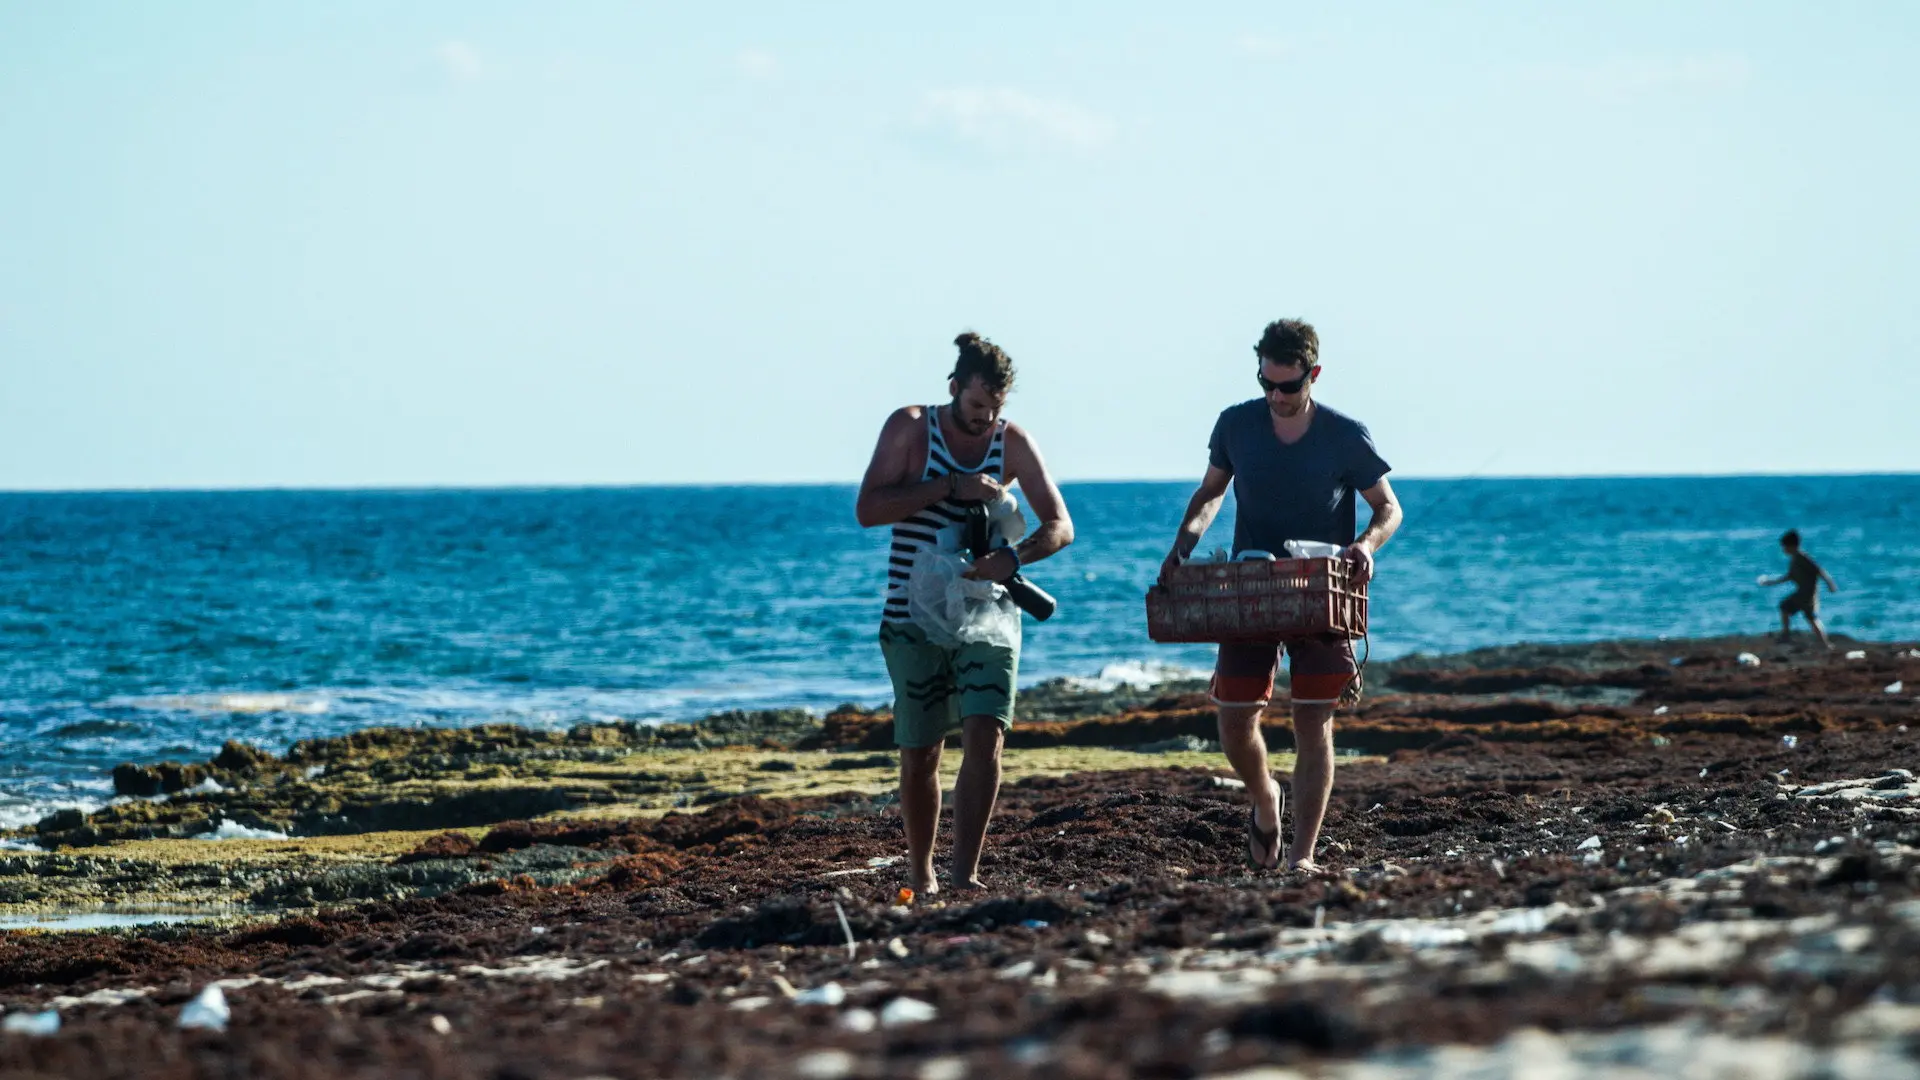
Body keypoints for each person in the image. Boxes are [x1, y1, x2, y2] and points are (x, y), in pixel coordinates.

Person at [1160, 319, 1402, 873]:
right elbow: (1209, 493)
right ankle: (1267, 797)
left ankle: (1301, 856)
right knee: (1233, 721)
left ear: (1313, 375)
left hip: (1321, 589)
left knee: (1312, 722)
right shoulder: (1236, 425)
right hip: (1250, 587)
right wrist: (1183, 545)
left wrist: (1365, 546)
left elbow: (1388, 507)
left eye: (1288, 386)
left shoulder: (1345, 433)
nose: (1275, 395)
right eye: (1267, 383)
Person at [855, 333, 1074, 894]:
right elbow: (869, 509)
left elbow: (1060, 526)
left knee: (986, 734)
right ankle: (921, 874)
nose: (987, 419)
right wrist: (950, 485)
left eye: (997, 408)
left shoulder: (1012, 441)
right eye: (978, 406)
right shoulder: (910, 427)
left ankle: (964, 875)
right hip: (913, 609)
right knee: (922, 749)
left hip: (989, 613)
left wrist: (1013, 556)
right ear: (954, 389)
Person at [1763, 529, 1837, 649]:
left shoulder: (1803, 557)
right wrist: (1771, 582)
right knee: (1809, 617)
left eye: (1785, 546)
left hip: (1806, 594)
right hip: (1803, 594)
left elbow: (1819, 570)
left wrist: (1830, 583)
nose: (1783, 549)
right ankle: (1824, 643)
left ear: (1792, 546)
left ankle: (1787, 635)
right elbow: (1789, 576)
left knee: (1786, 607)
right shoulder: (1795, 559)